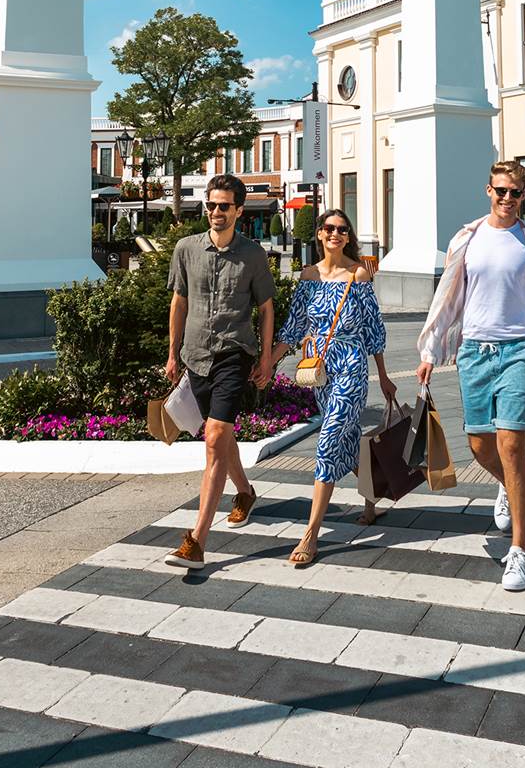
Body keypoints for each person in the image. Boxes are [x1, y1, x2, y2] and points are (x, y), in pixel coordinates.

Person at [416, 160, 525, 592]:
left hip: (519, 350)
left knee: (512, 445)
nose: (506, 199)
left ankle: (519, 549)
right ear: (488, 190)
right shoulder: (467, 237)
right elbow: (448, 297)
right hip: (474, 353)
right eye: (500, 191)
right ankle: (506, 485)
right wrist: (431, 349)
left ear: (524, 195)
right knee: (480, 445)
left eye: (514, 193)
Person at [163, 174, 277, 569]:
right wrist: (173, 353)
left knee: (214, 435)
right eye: (211, 205)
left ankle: (196, 541)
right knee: (219, 435)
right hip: (195, 355)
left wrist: (265, 360)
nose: (215, 212)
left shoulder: (253, 255)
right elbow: (179, 301)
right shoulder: (186, 249)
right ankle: (244, 492)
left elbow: (265, 308)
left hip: (234, 354)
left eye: (223, 206)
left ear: (239, 211)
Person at [274, 207, 396, 565]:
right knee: (342, 437)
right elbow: (295, 326)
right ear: (319, 234)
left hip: (352, 366)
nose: (335, 234)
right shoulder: (308, 276)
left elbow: (373, 329)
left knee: (327, 442)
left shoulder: (358, 275)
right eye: (329, 228)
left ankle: (311, 535)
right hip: (320, 371)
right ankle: (372, 499)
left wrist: (384, 376)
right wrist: (270, 360)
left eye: (342, 229)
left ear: (348, 236)